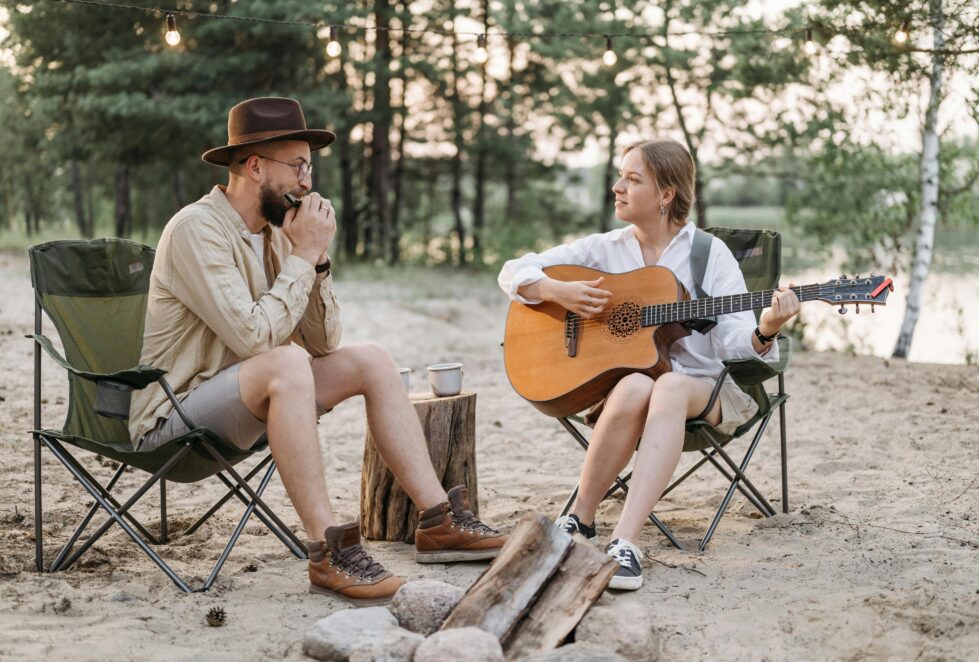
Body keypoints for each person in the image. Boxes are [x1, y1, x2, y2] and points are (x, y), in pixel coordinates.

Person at [130, 97, 506, 606]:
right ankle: (330, 550)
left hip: (251, 401)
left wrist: (317, 259)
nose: (308, 182)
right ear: (255, 166)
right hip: (176, 416)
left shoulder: (278, 232)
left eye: (310, 167)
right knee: (286, 362)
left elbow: (325, 342)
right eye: (298, 166)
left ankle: (439, 520)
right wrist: (303, 254)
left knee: (370, 358)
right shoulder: (197, 229)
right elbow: (256, 340)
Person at [498, 140, 799, 590]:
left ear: (666, 195)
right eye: (621, 176)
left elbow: (734, 339)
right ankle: (580, 519)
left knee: (668, 386)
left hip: (705, 390)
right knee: (638, 384)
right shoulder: (606, 249)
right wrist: (557, 292)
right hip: (632, 392)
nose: (618, 187)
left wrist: (768, 328)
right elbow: (514, 270)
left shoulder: (708, 253)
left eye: (633, 179)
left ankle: (626, 543)